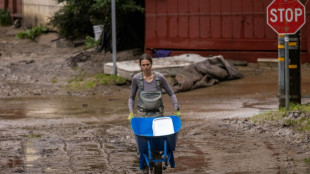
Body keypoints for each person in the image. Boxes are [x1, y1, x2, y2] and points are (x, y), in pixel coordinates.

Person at [128, 53, 181, 120]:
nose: (146, 67)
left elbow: (171, 93)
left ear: (151, 64)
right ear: (140, 66)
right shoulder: (136, 78)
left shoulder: (160, 77)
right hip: (142, 115)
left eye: (147, 64)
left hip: (158, 115)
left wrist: (176, 109)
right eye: (143, 65)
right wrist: (131, 112)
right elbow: (131, 97)